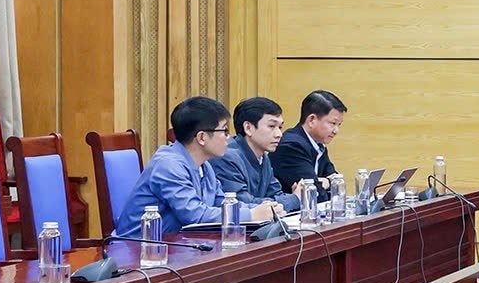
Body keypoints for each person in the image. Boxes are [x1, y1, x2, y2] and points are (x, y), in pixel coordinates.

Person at [115, 96, 277, 236]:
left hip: (177, 246)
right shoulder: (168, 166)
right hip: (138, 250)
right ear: (202, 137)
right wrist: (250, 215)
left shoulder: (204, 166)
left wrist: (265, 209)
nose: (228, 139)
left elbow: (221, 202)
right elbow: (194, 215)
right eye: (224, 131)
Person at [211, 96, 301, 214]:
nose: (279, 134)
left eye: (280, 127)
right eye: (271, 126)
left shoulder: (264, 157)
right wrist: (294, 199)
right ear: (248, 128)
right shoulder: (227, 156)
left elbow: (275, 194)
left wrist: (287, 200)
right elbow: (240, 203)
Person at [272, 90, 346, 200]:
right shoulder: (291, 146)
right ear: (312, 120)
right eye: (333, 123)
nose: (336, 130)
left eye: (339, 125)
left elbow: (338, 184)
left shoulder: (319, 145)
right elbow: (314, 195)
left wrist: (328, 182)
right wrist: (324, 184)